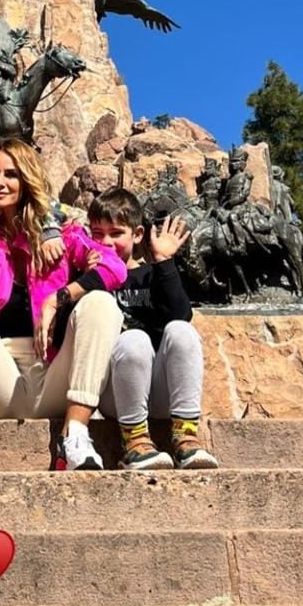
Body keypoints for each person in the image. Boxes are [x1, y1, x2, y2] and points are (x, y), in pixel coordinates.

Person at [0, 139, 127, 475]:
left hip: (54, 375)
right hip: (0, 382)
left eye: (11, 174)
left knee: (100, 302)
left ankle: (75, 436)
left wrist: (61, 297)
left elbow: (114, 268)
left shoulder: (62, 235)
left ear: (27, 179)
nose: (0, 182)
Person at [90, 187, 219, 471]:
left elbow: (180, 314)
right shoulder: (88, 277)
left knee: (181, 331)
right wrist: (87, 278)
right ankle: (135, 442)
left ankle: (186, 437)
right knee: (133, 339)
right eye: (97, 234)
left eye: (115, 233)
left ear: (136, 235)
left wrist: (163, 263)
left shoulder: (152, 273)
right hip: (115, 393)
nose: (106, 241)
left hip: (161, 393)